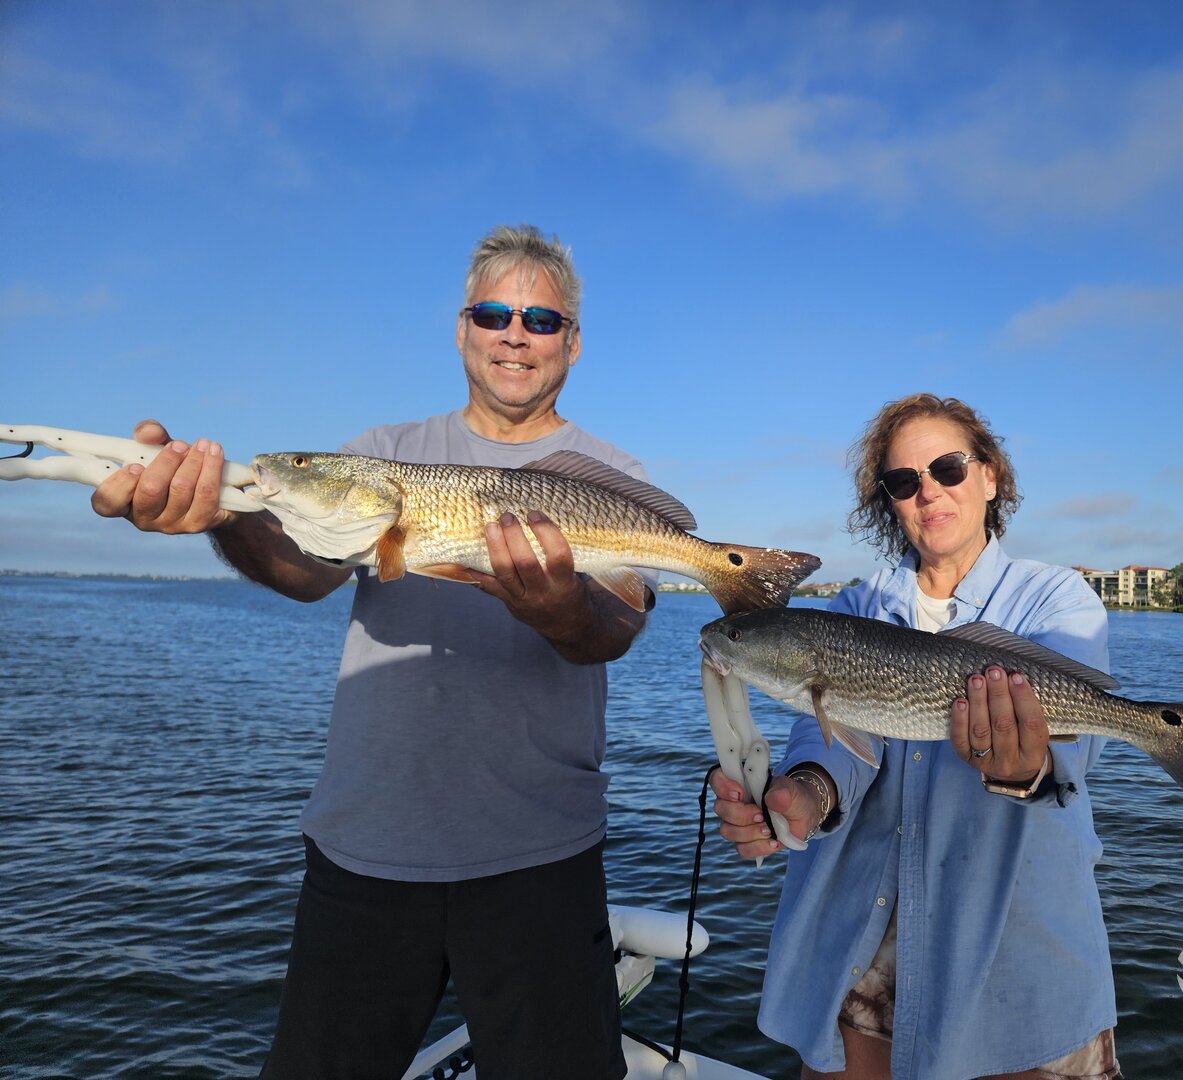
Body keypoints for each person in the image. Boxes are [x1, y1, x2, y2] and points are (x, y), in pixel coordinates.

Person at [91, 225, 643, 1079]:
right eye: (493, 314)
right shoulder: (380, 455)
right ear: (461, 329)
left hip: (542, 854)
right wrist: (228, 517)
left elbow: (617, 626)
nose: (514, 335)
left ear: (571, 342)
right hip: (366, 846)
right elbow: (304, 572)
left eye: (540, 320)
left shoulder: (608, 476)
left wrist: (563, 613)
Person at [711, 393, 1122, 1080]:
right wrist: (804, 796)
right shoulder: (857, 606)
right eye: (903, 481)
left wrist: (1024, 767)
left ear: (989, 476)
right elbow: (831, 738)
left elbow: (1070, 756)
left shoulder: (1057, 599)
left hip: (1015, 964)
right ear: (890, 502)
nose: (928, 491)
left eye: (948, 468)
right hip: (861, 958)